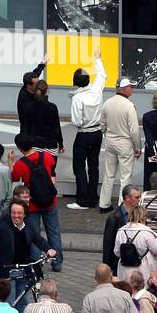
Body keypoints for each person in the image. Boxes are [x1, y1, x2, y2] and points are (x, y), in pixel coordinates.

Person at [0, 199, 52, 313]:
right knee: (9, 304)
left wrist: (49, 249)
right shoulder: (2, 228)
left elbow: (38, 240)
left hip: (23, 270)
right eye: (13, 213)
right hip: (7, 271)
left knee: (23, 303)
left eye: (19, 213)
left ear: (24, 214)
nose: (16, 216)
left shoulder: (28, 227)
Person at [97, 77, 142, 212]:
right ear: (124, 89)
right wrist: (137, 147)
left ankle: (104, 204)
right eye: (130, 87)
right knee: (125, 177)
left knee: (109, 175)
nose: (132, 89)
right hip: (125, 143)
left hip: (110, 141)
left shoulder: (107, 103)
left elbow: (102, 123)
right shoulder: (129, 106)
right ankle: (123, 206)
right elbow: (134, 130)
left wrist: (107, 134)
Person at [68, 56, 106, 210]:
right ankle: (93, 197)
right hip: (97, 133)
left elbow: (77, 122)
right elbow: (102, 74)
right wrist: (98, 59)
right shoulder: (97, 90)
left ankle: (83, 201)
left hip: (84, 134)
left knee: (79, 166)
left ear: (75, 81)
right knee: (93, 165)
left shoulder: (77, 98)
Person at [114, 204, 157, 284]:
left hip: (124, 269)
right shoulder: (147, 232)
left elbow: (117, 252)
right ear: (144, 216)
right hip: (143, 269)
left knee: (126, 290)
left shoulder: (121, 231)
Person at [21, 79, 63, 153]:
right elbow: (56, 128)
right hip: (50, 146)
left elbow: (26, 127)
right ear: (47, 91)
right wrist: (61, 144)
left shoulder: (29, 106)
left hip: (34, 145)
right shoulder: (52, 107)